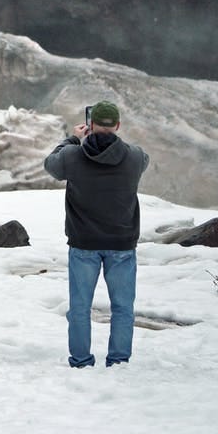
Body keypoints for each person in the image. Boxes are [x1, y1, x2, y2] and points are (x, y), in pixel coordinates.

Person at [44, 100, 150, 368]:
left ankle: (81, 361)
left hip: (84, 244)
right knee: (123, 308)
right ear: (117, 125)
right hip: (122, 244)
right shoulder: (135, 157)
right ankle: (118, 361)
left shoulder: (72, 156)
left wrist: (73, 139)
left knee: (80, 308)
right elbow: (138, 159)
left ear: (90, 125)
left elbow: (51, 165)